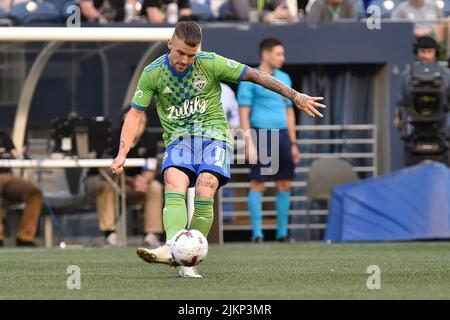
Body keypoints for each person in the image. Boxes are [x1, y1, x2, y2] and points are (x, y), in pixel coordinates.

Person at [110, 21, 326, 278]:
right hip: (179, 138)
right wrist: (122, 153)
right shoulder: (153, 72)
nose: (185, 60)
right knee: (173, 180)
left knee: (205, 187)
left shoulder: (210, 62)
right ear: (170, 44)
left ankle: (189, 262)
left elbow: (255, 75)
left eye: (191, 55)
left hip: (213, 135)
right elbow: (135, 115)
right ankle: (172, 247)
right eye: (180, 53)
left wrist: (295, 96)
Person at [237, 38, 301, 243]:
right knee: (258, 183)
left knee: (285, 183)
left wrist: (293, 144)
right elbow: (243, 113)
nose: (282, 58)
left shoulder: (285, 78)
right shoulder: (250, 77)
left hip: (282, 135)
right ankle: (257, 234)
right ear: (265, 54)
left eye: (283, 54)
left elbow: (290, 112)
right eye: (278, 54)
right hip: (261, 134)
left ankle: (282, 233)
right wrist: (248, 142)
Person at [85, 108, 164, 247]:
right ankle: (110, 234)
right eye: (135, 121)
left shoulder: (149, 140)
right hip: (105, 179)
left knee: (155, 187)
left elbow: (151, 167)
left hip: (130, 185)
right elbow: (105, 170)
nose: (139, 124)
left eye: (142, 121)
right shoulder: (111, 137)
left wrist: (144, 181)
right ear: (125, 122)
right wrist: (131, 180)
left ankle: (151, 235)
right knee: (107, 185)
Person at [394, 35, 450, 166]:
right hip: (414, 133)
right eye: (422, 52)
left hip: (442, 133)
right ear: (417, 53)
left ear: (435, 53)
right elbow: (401, 103)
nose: (425, 56)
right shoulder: (406, 76)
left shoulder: (447, 75)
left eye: (429, 52)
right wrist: (397, 118)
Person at [0, 131, 42, 247]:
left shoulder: (4, 136)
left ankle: (25, 237)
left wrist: (11, 153)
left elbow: (15, 154)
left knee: (34, 193)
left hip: (6, 176)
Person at [228, 0, 298, 22]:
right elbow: (243, 13)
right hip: (238, 31)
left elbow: (283, 8)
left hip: (265, 31)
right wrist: (268, 15)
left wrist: (286, 13)